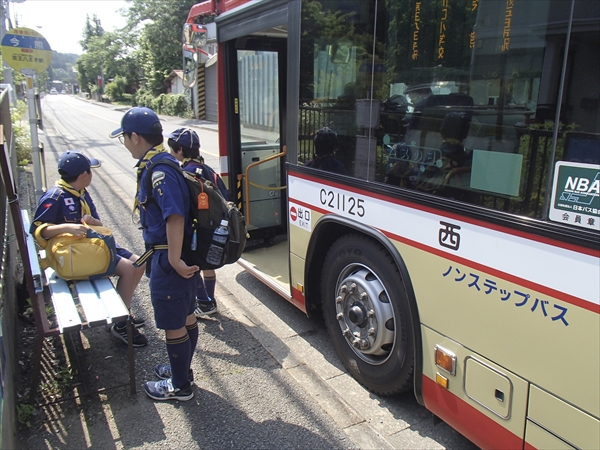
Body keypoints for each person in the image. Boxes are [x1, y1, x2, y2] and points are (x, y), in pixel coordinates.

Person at [110, 107, 199, 401]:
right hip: (177, 254)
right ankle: (182, 372)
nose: (124, 142)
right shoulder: (164, 162)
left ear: (135, 137)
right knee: (185, 317)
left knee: (174, 324)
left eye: (124, 137)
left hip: (169, 258)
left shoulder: (159, 171)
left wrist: (173, 260)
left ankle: (180, 387)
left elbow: (175, 217)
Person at [30, 151, 148, 347]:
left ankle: (121, 311)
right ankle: (120, 323)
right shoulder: (56, 196)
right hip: (74, 257)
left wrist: (93, 221)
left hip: (92, 245)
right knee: (128, 269)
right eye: (90, 171)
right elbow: (37, 229)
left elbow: (98, 223)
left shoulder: (82, 193)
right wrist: (66, 227)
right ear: (84, 175)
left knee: (139, 262)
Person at [165, 127, 231, 319]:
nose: (171, 153)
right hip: (215, 227)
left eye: (172, 149)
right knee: (207, 263)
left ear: (179, 151)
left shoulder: (185, 173)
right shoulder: (207, 170)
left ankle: (204, 301)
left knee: (193, 264)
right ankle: (209, 299)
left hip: (197, 229)